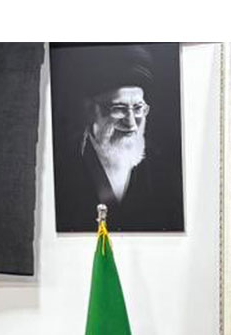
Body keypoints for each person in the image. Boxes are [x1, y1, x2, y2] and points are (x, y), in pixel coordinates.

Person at [52, 43, 182, 232]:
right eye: (119, 109)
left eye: (138, 108)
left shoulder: (162, 168)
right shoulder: (64, 165)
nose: (131, 124)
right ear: (91, 111)